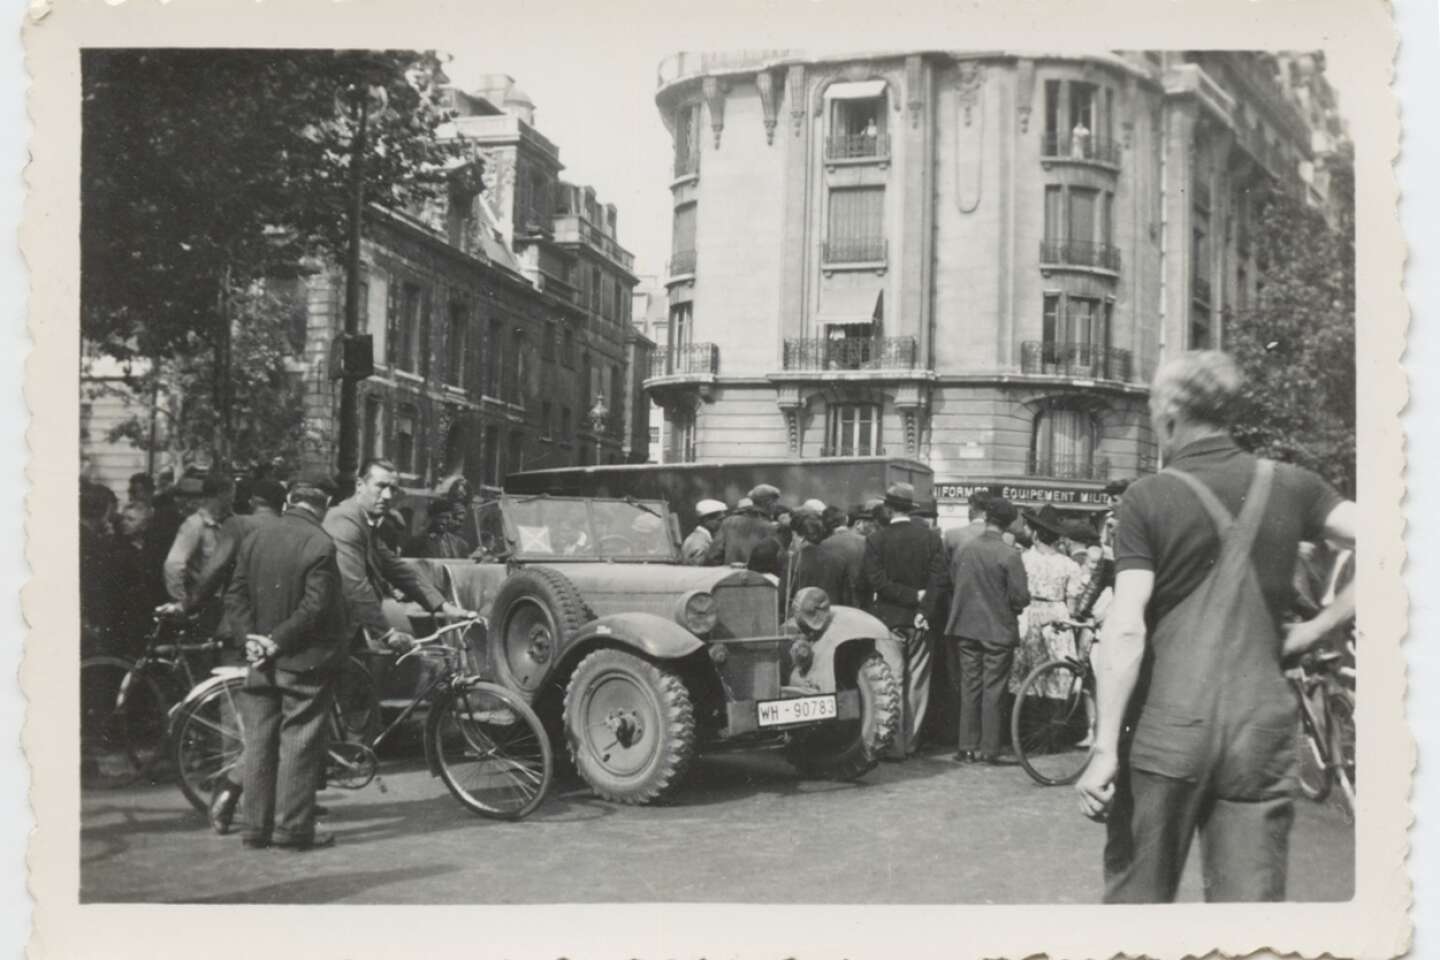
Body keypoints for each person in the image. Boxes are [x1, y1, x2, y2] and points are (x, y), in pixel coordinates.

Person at [1075, 351, 1356, 903]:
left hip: (1166, 730)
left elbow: (1127, 628)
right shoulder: (1294, 484)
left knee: (1138, 909)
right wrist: (1318, 627)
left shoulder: (1147, 497)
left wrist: (1105, 746)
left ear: (1169, 416)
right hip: (1259, 733)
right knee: (1247, 920)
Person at [224, 471, 349, 850]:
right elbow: (316, 607)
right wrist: (277, 641)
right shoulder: (320, 543)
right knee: (300, 739)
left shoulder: (256, 536)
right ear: (324, 503)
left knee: (260, 740)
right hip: (303, 660)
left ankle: (254, 828)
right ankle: (291, 829)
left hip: (259, 660)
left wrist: (253, 641)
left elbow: (236, 595)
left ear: (290, 499)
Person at [324, 458, 470, 654]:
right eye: (381, 486)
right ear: (360, 485)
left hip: (347, 630)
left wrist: (443, 606)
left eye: (392, 489)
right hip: (328, 638)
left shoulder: (365, 523)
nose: (387, 495)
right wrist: (388, 634)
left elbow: (397, 568)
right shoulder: (345, 521)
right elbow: (354, 585)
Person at [862, 482, 946, 759]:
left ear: (887, 508)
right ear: (911, 509)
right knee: (918, 681)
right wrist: (924, 607)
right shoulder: (932, 537)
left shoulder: (876, 539)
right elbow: (939, 580)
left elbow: (878, 582)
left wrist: (909, 596)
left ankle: (892, 743)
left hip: (888, 618)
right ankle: (910, 742)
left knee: (892, 679)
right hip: (921, 620)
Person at [944, 496, 1030, 763]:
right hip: (997, 629)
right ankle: (990, 748)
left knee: (970, 685)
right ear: (1007, 524)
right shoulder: (1009, 554)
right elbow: (1020, 597)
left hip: (966, 626)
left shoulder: (965, 549)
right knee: (994, 688)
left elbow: (953, 581)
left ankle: (966, 746)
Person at [1011, 505, 1085, 695]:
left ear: (1035, 534)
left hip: (1028, 614)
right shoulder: (1069, 565)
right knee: (1055, 665)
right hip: (1057, 615)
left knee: (1025, 669)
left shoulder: (1022, 559)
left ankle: (1022, 712)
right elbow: (1073, 605)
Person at [162, 474, 236, 609]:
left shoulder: (232, 522)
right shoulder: (195, 524)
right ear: (221, 494)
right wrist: (182, 601)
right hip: (204, 603)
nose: (233, 499)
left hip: (227, 602)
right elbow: (173, 565)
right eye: (231, 494)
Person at [705, 484, 781, 566]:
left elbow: (713, 556)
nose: (776, 506)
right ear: (769, 503)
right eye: (775, 502)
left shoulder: (728, 522)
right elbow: (777, 562)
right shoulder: (771, 528)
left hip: (729, 576)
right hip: (756, 578)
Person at [682, 499, 728, 565]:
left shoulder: (703, 538)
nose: (722, 523)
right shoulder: (698, 541)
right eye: (719, 520)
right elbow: (698, 569)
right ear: (706, 520)